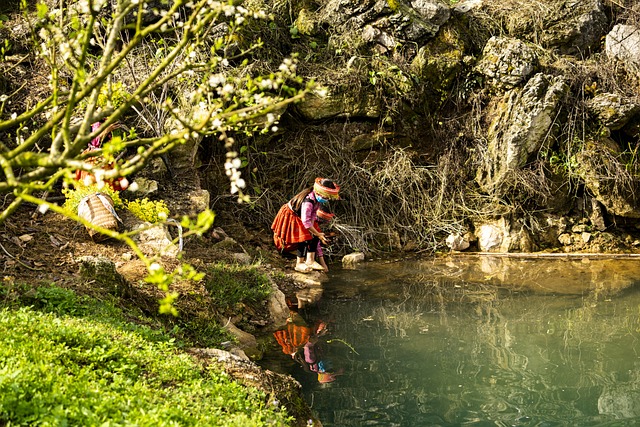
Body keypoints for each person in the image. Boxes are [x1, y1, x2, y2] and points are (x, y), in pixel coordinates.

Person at [272, 178, 340, 273]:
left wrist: (315, 233)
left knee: (313, 235)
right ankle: (299, 263)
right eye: (326, 197)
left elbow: (311, 216)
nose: (327, 199)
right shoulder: (308, 201)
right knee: (303, 238)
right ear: (320, 193)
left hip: (301, 217)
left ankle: (310, 260)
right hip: (291, 215)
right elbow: (306, 222)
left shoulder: (316, 200)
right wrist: (316, 233)